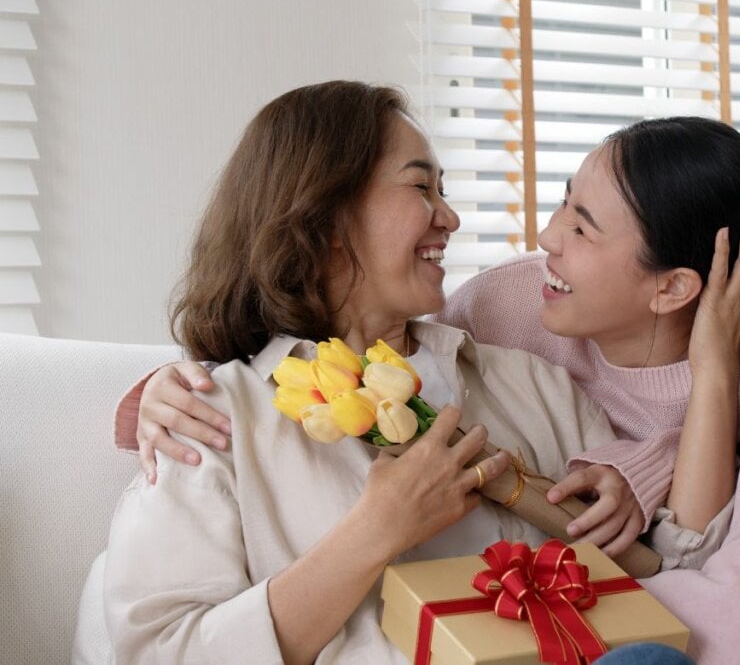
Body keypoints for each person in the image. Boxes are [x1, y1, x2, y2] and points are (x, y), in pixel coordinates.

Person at [122, 116, 740, 561]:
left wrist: (714, 360)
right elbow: (353, 356)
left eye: (583, 227)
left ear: (672, 287)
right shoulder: (511, 303)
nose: (546, 237)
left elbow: (686, 559)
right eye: (564, 204)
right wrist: (153, 393)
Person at [89, 80, 674, 663]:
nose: (450, 217)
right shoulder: (207, 419)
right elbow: (159, 652)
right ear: (326, 215)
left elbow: (670, 570)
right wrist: (374, 533)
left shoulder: (533, 383)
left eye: (442, 190)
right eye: (421, 186)